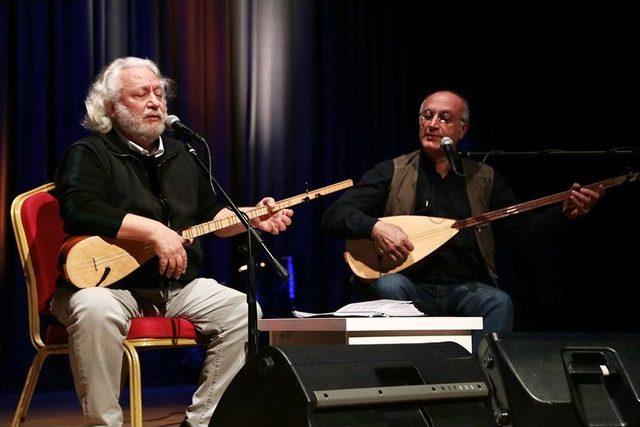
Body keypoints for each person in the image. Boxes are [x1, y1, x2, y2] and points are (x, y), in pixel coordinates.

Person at [51, 57, 293, 427]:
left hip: (175, 285)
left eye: (159, 93)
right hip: (106, 285)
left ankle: (201, 422)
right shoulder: (89, 153)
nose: (155, 102)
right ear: (113, 107)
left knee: (244, 311)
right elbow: (79, 210)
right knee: (94, 308)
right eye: (141, 94)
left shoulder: (184, 153)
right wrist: (154, 231)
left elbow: (211, 216)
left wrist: (251, 217)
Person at [321, 90, 602, 352]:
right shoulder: (393, 171)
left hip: (466, 288)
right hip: (410, 285)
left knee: (498, 301)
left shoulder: (484, 178)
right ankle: (403, 377)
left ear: (462, 129)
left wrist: (562, 215)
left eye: (444, 118)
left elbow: (520, 235)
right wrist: (376, 227)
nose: (432, 124)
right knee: (390, 286)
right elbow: (335, 215)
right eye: (426, 116)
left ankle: (484, 386)